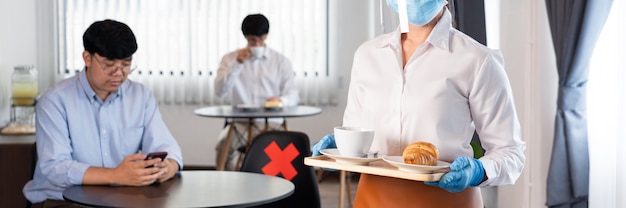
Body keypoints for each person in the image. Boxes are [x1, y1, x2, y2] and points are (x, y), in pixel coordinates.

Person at [312, 0, 526, 207]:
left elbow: (510, 153)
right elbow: (356, 131)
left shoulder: (477, 60)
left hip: (447, 202)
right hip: (372, 199)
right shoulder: (367, 56)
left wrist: (479, 170)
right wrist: (340, 147)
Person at [23, 19, 183, 207]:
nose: (118, 73)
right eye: (109, 65)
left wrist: (168, 166)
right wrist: (116, 175)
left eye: (126, 65)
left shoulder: (141, 96)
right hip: (62, 200)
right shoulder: (54, 101)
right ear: (87, 58)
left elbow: (166, 145)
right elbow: (55, 168)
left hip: (121, 198)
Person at [214, 14, 299, 170]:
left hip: (273, 124)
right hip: (240, 124)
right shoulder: (230, 59)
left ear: (266, 36)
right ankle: (228, 187)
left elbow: (293, 95)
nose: (256, 44)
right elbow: (219, 91)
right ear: (245, 37)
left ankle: (277, 190)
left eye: (260, 39)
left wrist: (280, 100)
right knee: (222, 147)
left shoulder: (280, 61)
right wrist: (237, 65)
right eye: (252, 40)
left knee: (282, 160)